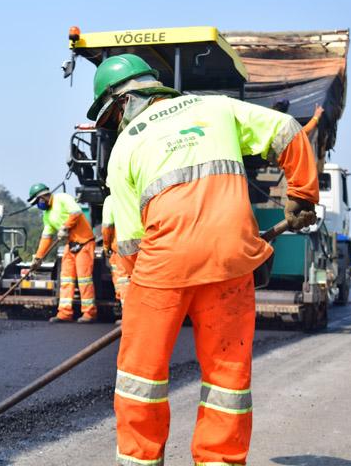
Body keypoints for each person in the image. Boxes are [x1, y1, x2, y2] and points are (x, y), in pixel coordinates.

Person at [87, 54, 319, 466]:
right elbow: (287, 130)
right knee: (227, 375)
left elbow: (128, 244)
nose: (115, 126)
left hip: (161, 268)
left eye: (111, 118)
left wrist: (139, 298)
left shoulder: (125, 148)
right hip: (232, 261)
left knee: (141, 378)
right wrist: (302, 194)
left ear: (122, 102)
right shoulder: (215, 107)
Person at [27, 183, 97, 323]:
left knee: (84, 280)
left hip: (84, 242)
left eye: (38, 201)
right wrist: (38, 258)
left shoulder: (62, 198)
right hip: (70, 245)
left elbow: (76, 212)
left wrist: (65, 227)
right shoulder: (47, 215)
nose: (38, 205)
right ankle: (64, 313)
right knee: (66, 279)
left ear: (43, 197)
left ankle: (89, 313)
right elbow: (46, 237)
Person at [100, 195, 130, 304]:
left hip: (121, 247)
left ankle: (128, 315)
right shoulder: (133, 197)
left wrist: (106, 246)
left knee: (123, 280)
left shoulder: (111, 199)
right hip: (141, 245)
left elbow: (107, 226)